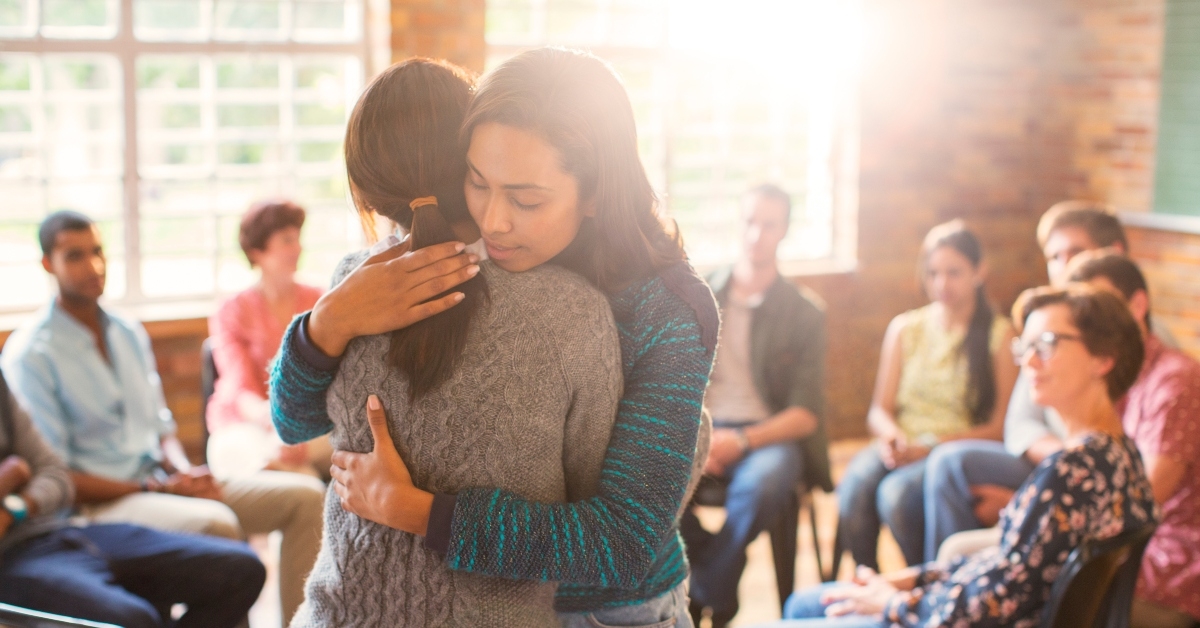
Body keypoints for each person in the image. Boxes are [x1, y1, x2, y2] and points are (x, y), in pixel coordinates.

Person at [271, 50, 718, 627]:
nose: (493, 221)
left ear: (596, 194)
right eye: (477, 182)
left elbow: (624, 541)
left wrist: (423, 513)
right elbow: (296, 418)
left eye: (527, 199)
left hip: (606, 609)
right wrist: (325, 323)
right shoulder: (446, 263)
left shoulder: (663, 308)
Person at [0, 210, 325, 628]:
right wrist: (159, 486)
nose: (94, 266)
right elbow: (58, 472)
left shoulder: (127, 331)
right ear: (48, 264)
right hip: (102, 503)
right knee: (217, 524)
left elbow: (161, 426)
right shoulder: (32, 354)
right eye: (75, 256)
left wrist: (186, 471)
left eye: (98, 251)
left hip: (160, 479)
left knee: (306, 497)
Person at [763, 285, 1157, 627]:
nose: (1029, 362)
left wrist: (894, 603)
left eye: (1048, 345)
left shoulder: (1070, 471)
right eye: (1027, 347)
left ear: (1103, 359)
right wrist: (911, 580)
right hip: (957, 606)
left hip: (954, 619)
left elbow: (993, 603)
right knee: (806, 603)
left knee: (802, 607)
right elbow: (1005, 566)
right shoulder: (1121, 456)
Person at [921, 201, 1181, 562]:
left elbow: (1131, 498)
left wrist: (1046, 493)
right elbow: (1019, 425)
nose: (1065, 267)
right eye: (1055, 257)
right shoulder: (1054, 328)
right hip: (1063, 468)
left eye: (1075, 253)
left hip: (1086, 491)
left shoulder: (1166, 371)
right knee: (940, 472)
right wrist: (1055, 483)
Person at [0, 370, 265, 628]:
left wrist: (15, 505)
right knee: (136, 619)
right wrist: (13, 472)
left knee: (242, 569)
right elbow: (26, 468)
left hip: (59, 531)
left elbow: (54, 474)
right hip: (9, 559)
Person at [680, 183, 828, 627]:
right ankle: (722, 582)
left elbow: (805, 415)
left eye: (769, 225)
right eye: (749, 221)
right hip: (700, 425)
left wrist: (741, 441)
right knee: (651, 473)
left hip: (767, 435)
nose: (756, 234)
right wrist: (704, 435)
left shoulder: (805, 312)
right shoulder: (701, 292)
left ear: (784, 231)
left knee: (764, 485)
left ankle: (707, 585)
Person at [837, 220, 1017, 568]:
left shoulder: (1000, 336)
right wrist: (893, 437)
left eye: (954, 272)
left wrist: (930, 445)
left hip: (950, 451)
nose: (941, 284)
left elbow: (999, 428)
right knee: (854, 489)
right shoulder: (907, 328)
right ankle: (869, 582)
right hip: (903, 442)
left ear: (980, 272)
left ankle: (923, 584)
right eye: (933, 273)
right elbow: (879, 409)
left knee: (897, 496)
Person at [206, 199, 328, 480]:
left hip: (307, 424)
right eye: (286, 241)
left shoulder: (319, 300)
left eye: (298, 239)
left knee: (295, 461)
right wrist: (276, 424)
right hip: (244, 421)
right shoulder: (231, 311)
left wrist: (296, 429)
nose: (297, 248)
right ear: (257, 251)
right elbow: (239, 387)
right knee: (288, 469)